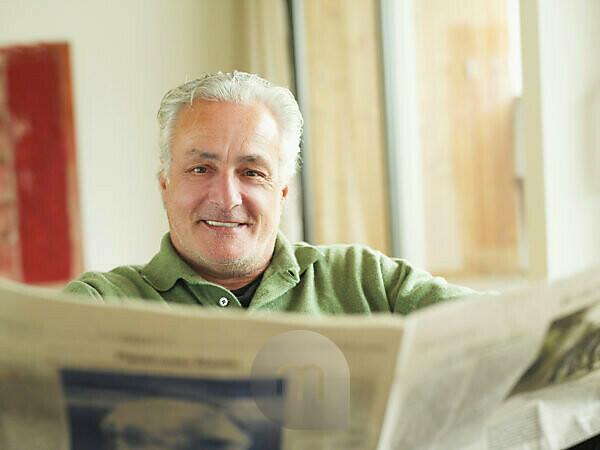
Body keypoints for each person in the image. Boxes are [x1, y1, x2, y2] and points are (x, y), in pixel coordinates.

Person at [64, 71, 475, 313]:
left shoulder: (367, 284)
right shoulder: (98, 304)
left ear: (281, 192)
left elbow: (520, 337)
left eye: (251, 172)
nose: (227, 198)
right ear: (165, 185)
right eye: (201, 168)